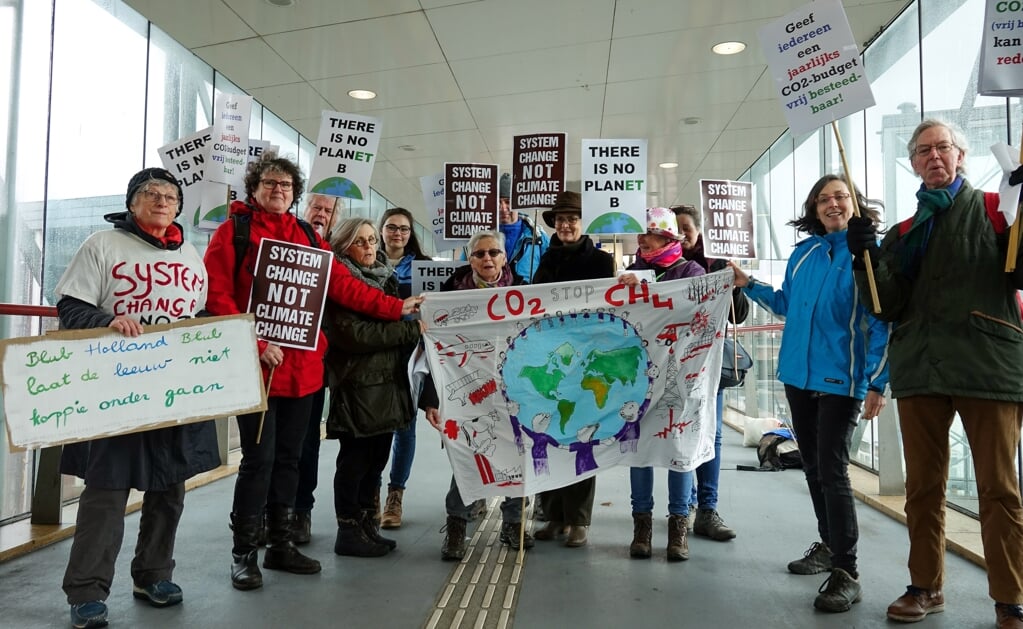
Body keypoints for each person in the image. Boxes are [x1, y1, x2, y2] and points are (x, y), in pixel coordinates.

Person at [203, 153, 421, 591]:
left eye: (285, 185)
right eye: (270, 183)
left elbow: (343, 286)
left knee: (290, 461)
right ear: (255, 187)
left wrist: (396, 307)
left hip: (303, 370)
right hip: (258, 369)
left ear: (295, 192)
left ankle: (281, 544)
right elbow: (218, 297)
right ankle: (244, 553)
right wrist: (258, 343)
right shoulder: (233, 233)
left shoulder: (306, 235)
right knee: (257, 462)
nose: (278, 190)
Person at [847, 119, 1023, 628]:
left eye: (943, 147)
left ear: (961, 155)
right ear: (914, 164)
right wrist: (865, 257)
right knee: (923, 487)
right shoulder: (905, 233)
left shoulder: (998, 211)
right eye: (923, 151)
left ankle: (1010, 597)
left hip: (988, 365)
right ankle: (925, 586)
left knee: (999, 489)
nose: (934, 156)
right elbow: (886, 305)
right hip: (921, 365)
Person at [56, 167, 219, 629]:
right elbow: (69, 307)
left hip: (175, 390)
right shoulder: (101, 246)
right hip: (117, 388)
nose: (162, 201)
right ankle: (86, 591)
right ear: (132, 203)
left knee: (169, 487)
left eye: (171, 195)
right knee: (106, 492)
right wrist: (107, 319)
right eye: (151, 194)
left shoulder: (190, 254)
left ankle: (153, 574)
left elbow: (199, 312)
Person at [732, 174, 890, 614]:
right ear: (814, 209)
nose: (832, 204)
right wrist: (748, 284)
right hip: (798, 377)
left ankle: (847, 570)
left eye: (840, 196)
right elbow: (787, 304)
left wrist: (878, 382)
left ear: (854, 203)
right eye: (823, 199)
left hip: (842, 378)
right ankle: (828, 544)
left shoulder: (869, 257)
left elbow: (882, 322)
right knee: (814, 468)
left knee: (834, 472)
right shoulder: (803, 254)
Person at [428, 230, 536, 560]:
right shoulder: (447, 295)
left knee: (517, 457)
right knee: (466, 456)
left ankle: (514, 523)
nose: (487, 259)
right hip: (467, 393)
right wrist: (431, 398)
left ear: (505, 257)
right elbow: (433, 352)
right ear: (469, 258)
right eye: (479, 254)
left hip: (514, 391)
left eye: (494, 253)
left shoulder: (527, 293)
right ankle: (457, 525)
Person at [324, 218, 424, 557]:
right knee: (354, 461)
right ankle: (348, 530)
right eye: (360, 242)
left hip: (388, 386)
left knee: (376, 460)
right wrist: (412, 332)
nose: (369, 248)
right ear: (343, 247)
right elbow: (356, 336)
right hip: (358, 387)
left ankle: (368, 524)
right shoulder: (339, 284)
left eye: (371, 241)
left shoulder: (385, 279)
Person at [618, 207, 706, 562]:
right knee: (639, 452)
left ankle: (678, 525)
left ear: (668, 239)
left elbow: (694, 306)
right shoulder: (634, 272)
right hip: (639, 376)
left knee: (678, 451)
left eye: (648, 235)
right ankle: (642, 525)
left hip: (681, 376)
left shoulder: (692, 271)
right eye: (640, 236)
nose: (642, 241)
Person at [531, 190, 616, 548]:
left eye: (572, 218)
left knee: (581, 437)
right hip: (552, 363)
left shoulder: (601, 261)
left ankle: (578, 519)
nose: (566, 224)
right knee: (549, 437)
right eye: (561, 219)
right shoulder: (543, 258)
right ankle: (553, 516)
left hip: (586, 363)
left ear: (582, 223)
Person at [672, 203, 751, 541]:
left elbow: (739, 316)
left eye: (685, 228)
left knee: (713, 434)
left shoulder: (717, 264)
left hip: (710, 366)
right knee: (680, 432)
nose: (680, 235)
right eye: (673, 229)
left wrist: (732, 283)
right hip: (673, 367)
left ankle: (707, 507)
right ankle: (685, 501)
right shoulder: (663, 267)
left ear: (699, 230)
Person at [378, 207, 432, 530]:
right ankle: (370, 490)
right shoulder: (368, 260)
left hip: (411, 356)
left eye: (404, 229)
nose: (398, 234)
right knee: (374, 427)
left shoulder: (424, 269)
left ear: (411, 235)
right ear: (381, 230)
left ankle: (394, 495)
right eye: (392, 227)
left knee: (405, 427)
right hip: (375, 353)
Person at [293, 193, 340, 544]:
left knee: (307, 442)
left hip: (313, 366)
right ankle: (269, 514)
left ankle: (300, 513)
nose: (321, 214)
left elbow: (349, 292)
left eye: (328, 210)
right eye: (316, 207)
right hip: (272, 363)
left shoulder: (332, 255)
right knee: (267, 450)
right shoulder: (282, 244)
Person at [497, 173, 549, 282]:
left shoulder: (538, 237)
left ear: (517, 203)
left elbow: (551, 273)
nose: (503, 208)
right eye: (498, 202)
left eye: (508, 202)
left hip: (530, 298)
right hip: (491, 298)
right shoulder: (480, 238)